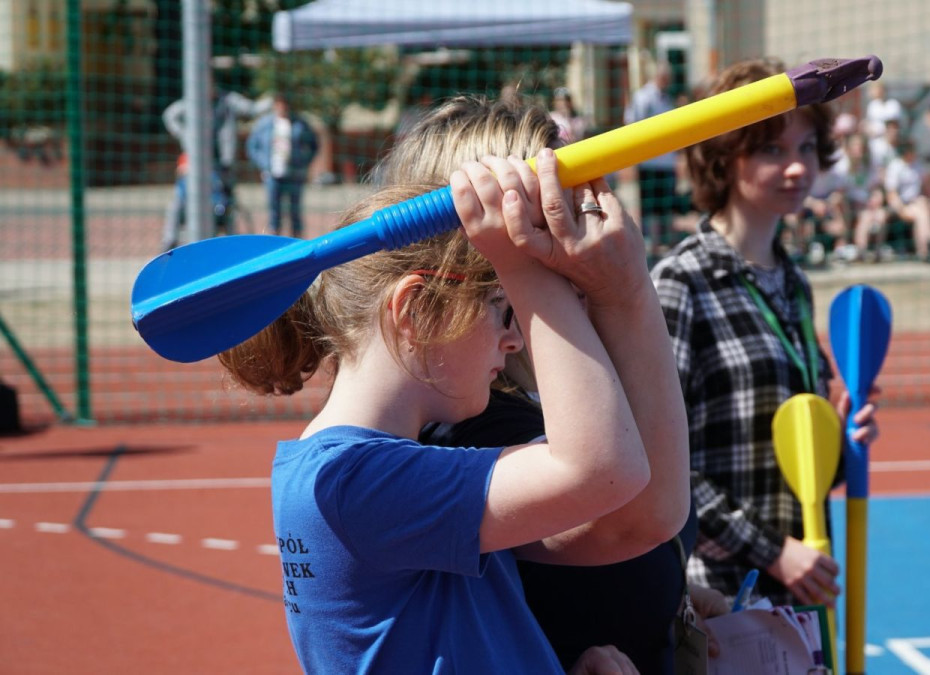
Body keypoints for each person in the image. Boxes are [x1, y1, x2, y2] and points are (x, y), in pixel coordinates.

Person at [218, 145, 679, 672]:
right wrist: (519, 263)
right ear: (416, 310)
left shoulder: (378, 472)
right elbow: (605, 469)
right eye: (501, 307)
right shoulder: (354, 481)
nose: (514, 341)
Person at [372, 95, 721, 675]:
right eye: (558, 206)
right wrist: (625, 290)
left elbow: (652, 538)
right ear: (494, 243)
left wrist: (677, 597)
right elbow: (640, 518)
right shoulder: (473, 417)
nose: (586, 218)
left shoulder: (570, 381)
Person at [651, 58, 880, 609]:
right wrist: (772, 551)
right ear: (724, 158)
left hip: (800, 588)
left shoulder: (794, 283)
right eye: (771, 150)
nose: (798, 168)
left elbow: (807, 461)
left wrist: (846, 430)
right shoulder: (680, 284)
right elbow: (661, 466)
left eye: (806, 148)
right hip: (716, 599)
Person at [160, 78, 271, 250]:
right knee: (179, 202)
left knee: (226, 205)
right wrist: (185, 135)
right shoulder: (192, 103)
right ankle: (170, 242)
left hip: (222, 166)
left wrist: (272, 99)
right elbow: (170, 115)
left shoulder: (228, 101)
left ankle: (231, 245)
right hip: (196, 166)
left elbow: (251, 108)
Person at [625, 58, 679, 257]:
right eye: (665, 76)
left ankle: (669, 241)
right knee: (650, 205)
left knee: (667, 202)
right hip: (650, 161)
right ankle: (653, 244)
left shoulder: (667, 98)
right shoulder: (643, 97)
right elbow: (632, 123)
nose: (668, 80)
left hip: (667, 161)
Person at [247, 94, 319, 237]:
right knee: (274, 213)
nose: (282, 107)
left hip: (294, 175)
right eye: (279, 104)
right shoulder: (264, 124)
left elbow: (314, 145)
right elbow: (252, 146)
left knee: (295, 212)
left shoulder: (300, 124)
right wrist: (263, 164)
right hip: (272, 175)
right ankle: (276, 243)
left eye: (284, 104)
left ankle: (297, 243)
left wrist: (303, 162)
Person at [885, 138, 930, 261]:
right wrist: (901, 209)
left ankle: (925, 248)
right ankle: (926, 246)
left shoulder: (917, 165)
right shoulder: (895, 166)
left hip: (916, 203)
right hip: (900, 205)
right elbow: (891, 194)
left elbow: (926, 187)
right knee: (921, 212)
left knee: (923, 207)